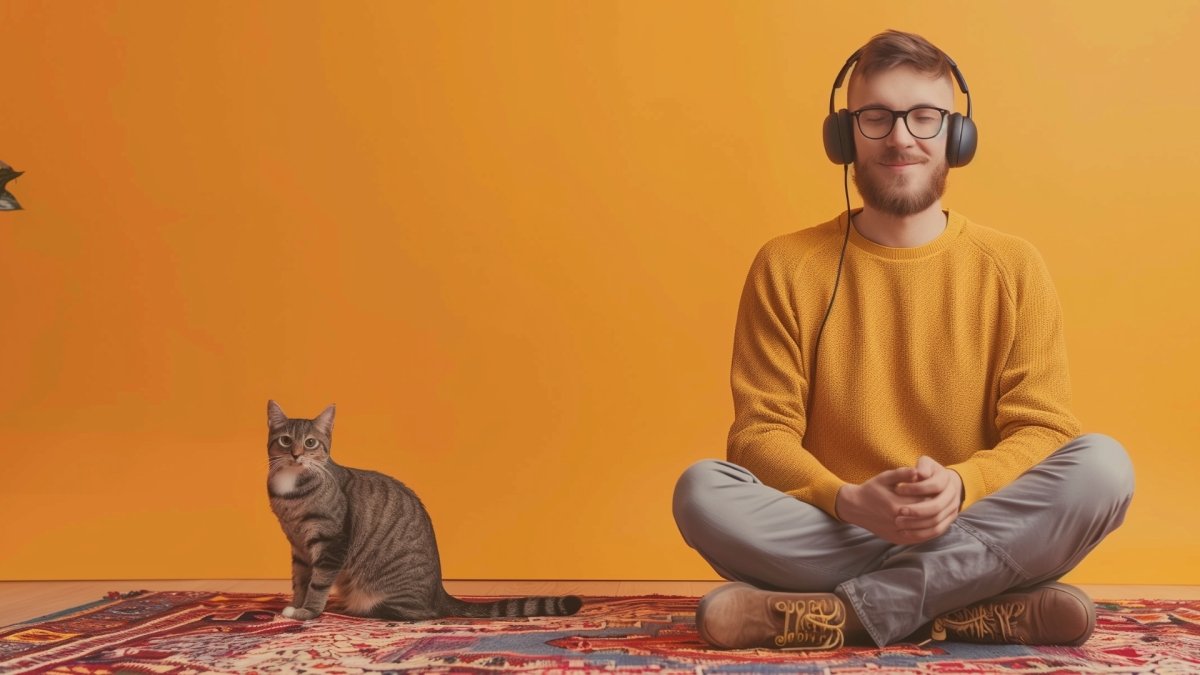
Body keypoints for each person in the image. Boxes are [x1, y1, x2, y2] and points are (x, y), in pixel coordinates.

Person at [671, 29, 1134, 650]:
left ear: (956, 136)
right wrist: (848, 501)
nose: (900, 137)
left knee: (1103, 467)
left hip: (972, 521)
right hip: (839, 526)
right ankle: (966, 606)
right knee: (702, 492)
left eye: (924, 116)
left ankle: (851, 615)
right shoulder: (785, 265)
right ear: (844, 135)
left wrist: (963, 486)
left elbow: (1043, 429)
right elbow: (759, 435)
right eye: (876, 117)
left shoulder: (1013, 265)